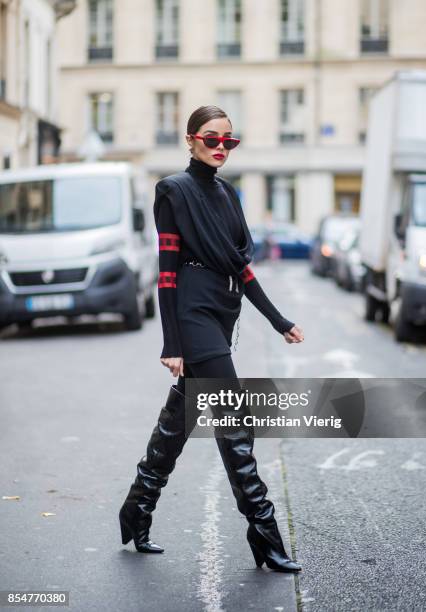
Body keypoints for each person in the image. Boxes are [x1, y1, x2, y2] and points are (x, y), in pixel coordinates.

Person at [119, 105, 304, 573]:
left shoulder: (228, 194)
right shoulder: (173, 191)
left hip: (222, 312)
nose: (220, 146)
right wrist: (171, 343)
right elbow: (166, 274)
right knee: (234, 421)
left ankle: (136, 509)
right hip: (193, 314)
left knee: (178, 419)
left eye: (229, 140)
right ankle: (265, 533)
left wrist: (279, 321)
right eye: (211, 137)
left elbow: (241, 267)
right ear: (190, 139)